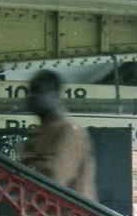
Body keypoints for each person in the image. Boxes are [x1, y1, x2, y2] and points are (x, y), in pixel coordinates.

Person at [21, 70, 97, 200]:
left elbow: (54, 180)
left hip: (68, 212)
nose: (31, 97)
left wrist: (28, 164)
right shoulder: (40, 132)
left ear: (54, 96)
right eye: (30, 92)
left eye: (38, 91)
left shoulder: (68, 131)